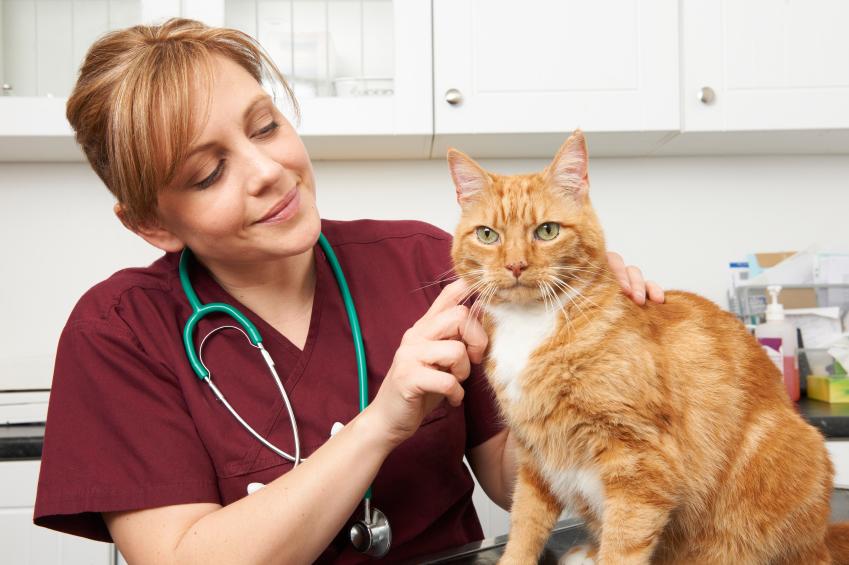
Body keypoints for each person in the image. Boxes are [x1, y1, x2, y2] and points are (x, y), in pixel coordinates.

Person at [33, 18, 664, 564]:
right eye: (209, 173)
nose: (268, 172)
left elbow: (515, 479)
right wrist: (382, 423)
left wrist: (589, 341)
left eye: (264, 127)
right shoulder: (118, 331)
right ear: (152, 224)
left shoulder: (422, 263)